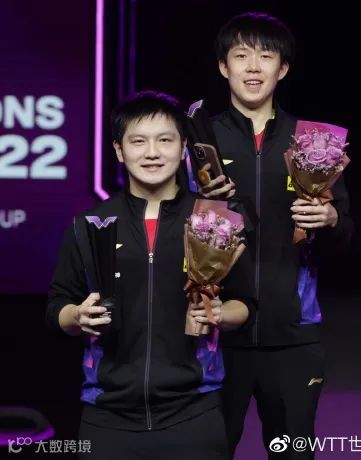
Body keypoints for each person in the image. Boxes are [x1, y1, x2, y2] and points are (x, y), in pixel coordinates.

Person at [46, 91, 255, 460]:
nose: (152, 153)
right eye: (138, 141)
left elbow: (246, 303)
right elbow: (57, 307)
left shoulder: (214, 219)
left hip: (194, 412)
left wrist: (221, 313)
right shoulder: (91, 224)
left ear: (184, 147)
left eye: (165, 140)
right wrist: (77, 315)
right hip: (106, 415)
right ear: (119, 150)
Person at [200, 12, 352, 458]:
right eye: (240, 56)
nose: (253, 67)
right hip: (215, 334)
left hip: (294, 336)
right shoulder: (198, 143)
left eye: (265, 56)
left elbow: (345, 235)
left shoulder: (314, 143)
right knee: (209, 450)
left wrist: (330, 220)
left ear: (282, 68)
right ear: (223, 66)